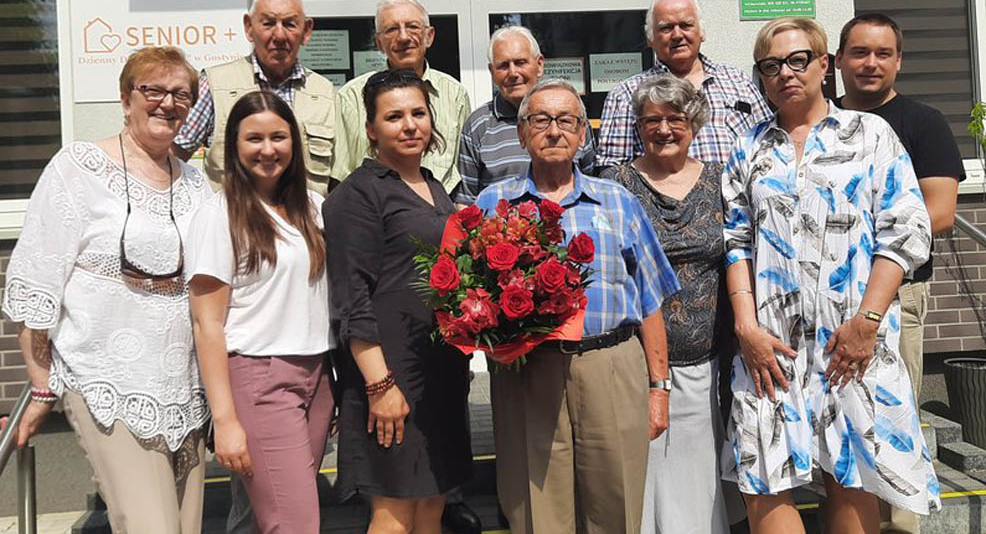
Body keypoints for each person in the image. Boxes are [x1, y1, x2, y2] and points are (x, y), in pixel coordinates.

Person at [721, 17, 940, 533]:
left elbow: (905, 233)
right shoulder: (749, 147)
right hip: (770, 349)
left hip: (850, 344)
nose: (786, 74)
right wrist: (746, 328)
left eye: (799, 60)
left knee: (849, 480)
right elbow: (735, 242)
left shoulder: (870, 135)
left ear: (824, 64)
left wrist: (867, 320)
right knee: (765, 482)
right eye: (771, 65)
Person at [0, 47, 212, 533]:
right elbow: (37, 280)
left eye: (181, 94)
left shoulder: (197, 185)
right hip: (109, 378)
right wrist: (39, 384)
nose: (167, 103)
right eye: (152, 90)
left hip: (185, 386)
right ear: (125, 98)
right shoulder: (78, 167)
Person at [475, 78, 681, 534]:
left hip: (611, 364)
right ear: (522, 133)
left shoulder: (618, 201)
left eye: (566, 120)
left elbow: (650, 299)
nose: (554, 131)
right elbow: (473, 301)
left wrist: (659, 387)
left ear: (583, 133)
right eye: (541, 120)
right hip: (528, 371)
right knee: (536, 508)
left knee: (615, 503)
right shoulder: (494, 204)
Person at [324, 69, 472, 534]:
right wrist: (379, 385)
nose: (409, 125)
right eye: (393, 117)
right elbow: (351, 297)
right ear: (370, 129)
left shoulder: (435, 188)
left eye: (418, 113)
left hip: (438, 373)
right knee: (393, 514)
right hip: (389, 374)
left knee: (430, 504)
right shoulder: (357, 195)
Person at [835, 11, 965, 534]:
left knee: (891, 420)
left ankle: (898, 525)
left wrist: (848, 252)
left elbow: (940, 213)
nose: (870, 64)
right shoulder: (817, 120)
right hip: (815, 299)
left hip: (894, 298)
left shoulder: (922, 122)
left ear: (899, 61)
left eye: (882, 54)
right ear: (837, 60)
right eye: (860, 52)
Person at [186, 90, 334, 533]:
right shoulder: (219, 213)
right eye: (254, 139)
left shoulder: (312, 206)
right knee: (295, 523)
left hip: (317, 378)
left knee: (274, 517)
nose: (267, 149)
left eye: (278, 137)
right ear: (233, 146)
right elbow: (206, 323)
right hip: (260, 379)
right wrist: (225, 420)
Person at [601, 74, 743, 534]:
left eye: (674, 118)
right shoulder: (615, 182)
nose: (663, 129)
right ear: (638, 126)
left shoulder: (722, 182)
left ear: (695, 122)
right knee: (643, 472)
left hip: (706, 361)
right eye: (651, 120)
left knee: (694, 469)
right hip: (632, 359)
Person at [173, 0, 336, 195]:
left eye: (289, 24)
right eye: (268, 23)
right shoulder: (215, 85)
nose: (279, 35)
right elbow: (172, 159)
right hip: (232, 224)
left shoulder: (326, 93)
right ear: (249, 27)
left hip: (303, 225)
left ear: (306, 31)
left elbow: (338, 178)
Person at [597, 0, 770, 170]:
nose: (677, 35)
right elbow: (612, 169)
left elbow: (770, 143)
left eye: (686, 25)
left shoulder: (738, 82)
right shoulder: (626, 94)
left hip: (739, 195)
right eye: (666, 28)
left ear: (702, 32)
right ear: (650, 38)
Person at [333, 0, 470, 194]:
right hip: (376, 216)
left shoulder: (455, 94)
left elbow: (463, 173)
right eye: (392, 29)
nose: (404, 37)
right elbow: (340, 179)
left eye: (412, 27)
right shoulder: (351, 96)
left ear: (429, 36)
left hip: (440, 216)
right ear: (379, 43)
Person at [456, 25, 595, 206]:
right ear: (492, 72)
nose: (513, 73)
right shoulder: (478, 125)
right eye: (503, 66)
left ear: (539, 65)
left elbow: (591, 183)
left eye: (520, 62)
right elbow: (465, 203)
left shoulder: (571, 118)